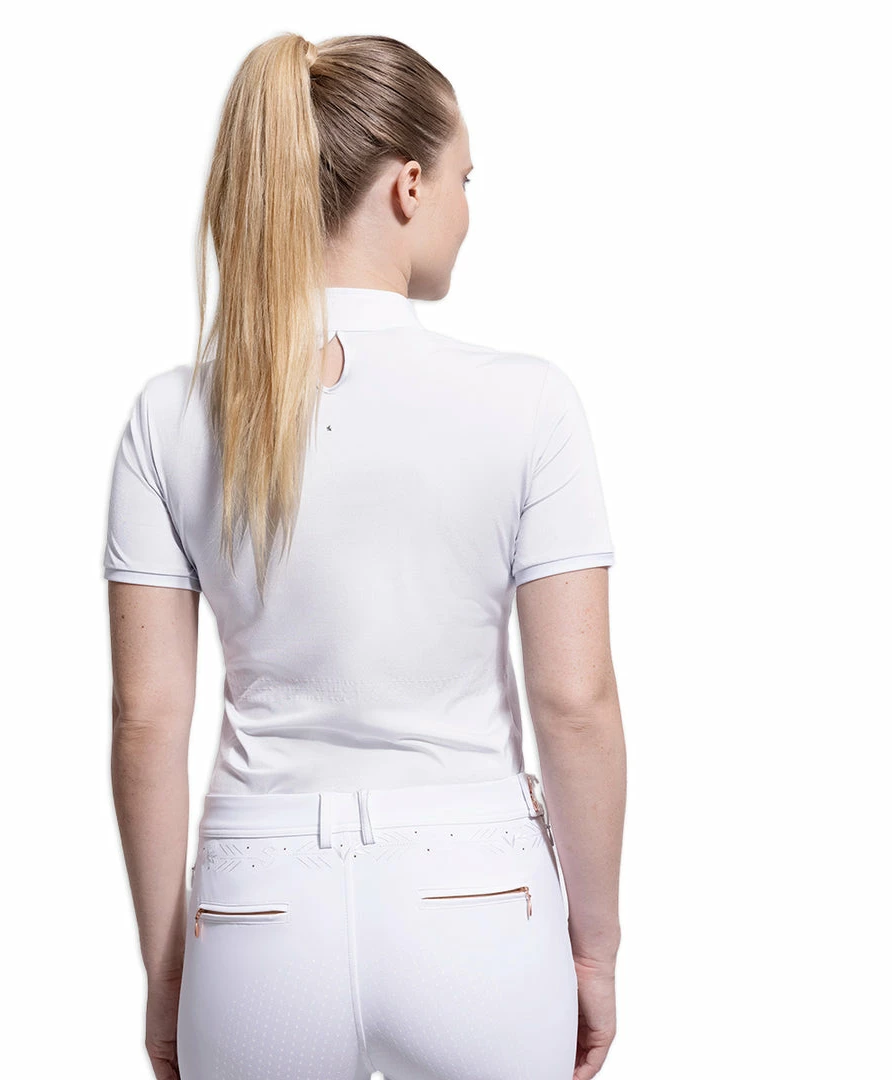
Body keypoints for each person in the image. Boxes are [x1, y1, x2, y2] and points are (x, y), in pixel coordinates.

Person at [103, 31, 626, 1080]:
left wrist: (167, 977)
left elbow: (147, 720)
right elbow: (575, 702)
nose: (467, 210)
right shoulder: (530, 403)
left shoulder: (170, 416)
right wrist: (595, 947)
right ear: (409, 185)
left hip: (255, 914)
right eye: (466, 180)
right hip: (479, 902)